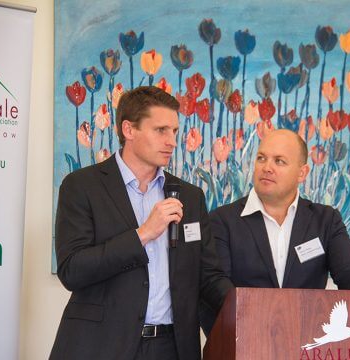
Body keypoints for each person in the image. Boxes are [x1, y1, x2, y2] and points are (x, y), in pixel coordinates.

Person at [50, 86, 232, 360]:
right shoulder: (81, 186)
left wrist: (248, 308)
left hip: (171, 348)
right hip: (101, 346)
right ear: (129, 130)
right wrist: (143, 234)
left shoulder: (191, 197)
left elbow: (208, 276)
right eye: (161, 130)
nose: (172, 141)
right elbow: (72, 270)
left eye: (174, 131)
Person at [201, 129, 350, 334]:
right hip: (244, 341)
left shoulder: (326, 221)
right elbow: (216, 286)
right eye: (261, 158)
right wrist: (267, 322)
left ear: (302, 173)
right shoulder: (222, 221)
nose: (267, 168)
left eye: (279, 161)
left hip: (307, 344)